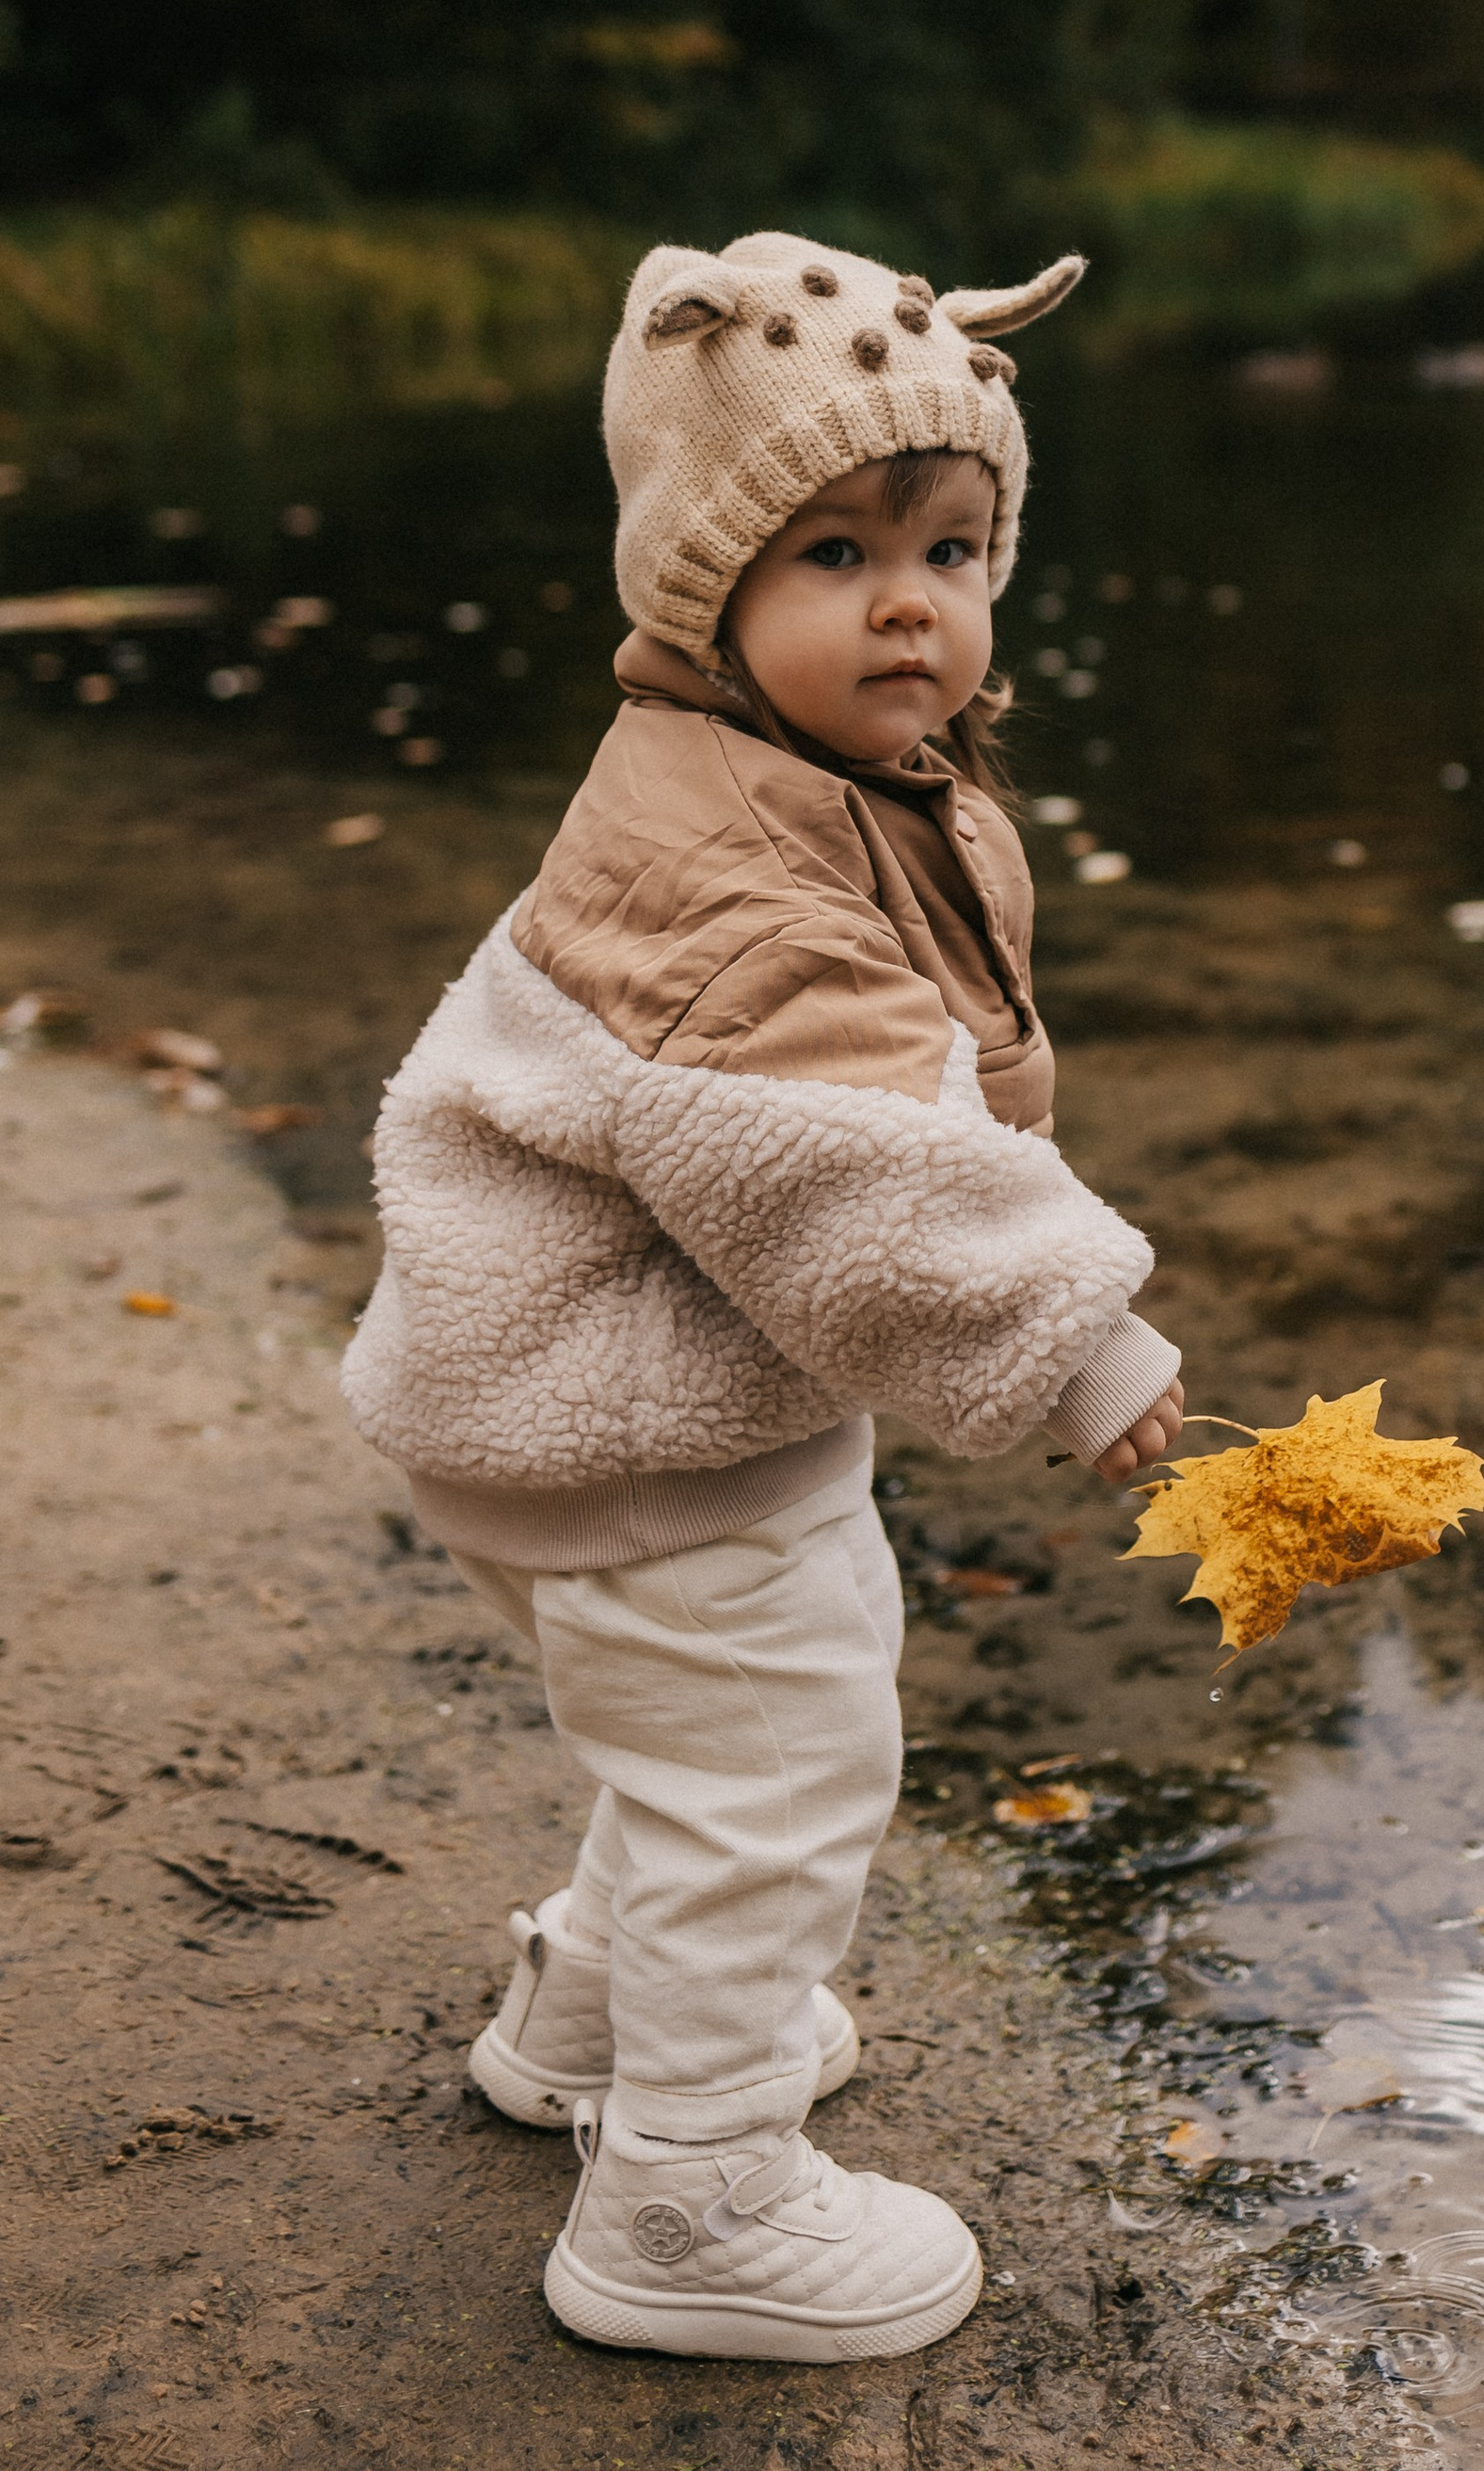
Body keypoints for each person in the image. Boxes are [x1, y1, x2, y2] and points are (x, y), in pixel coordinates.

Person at [340, 231, 1185, 2364]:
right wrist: (1077, 1338)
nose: (909, 602)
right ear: (697, 587)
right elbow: (849, 1177)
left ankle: (591, 2018)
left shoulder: (800, 774)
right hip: (627, 1412)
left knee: (695, 1744)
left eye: (951, 543)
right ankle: (688, 2202)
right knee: (782, 1761)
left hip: (556, 1391)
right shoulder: (719, 869)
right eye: (830, 551)